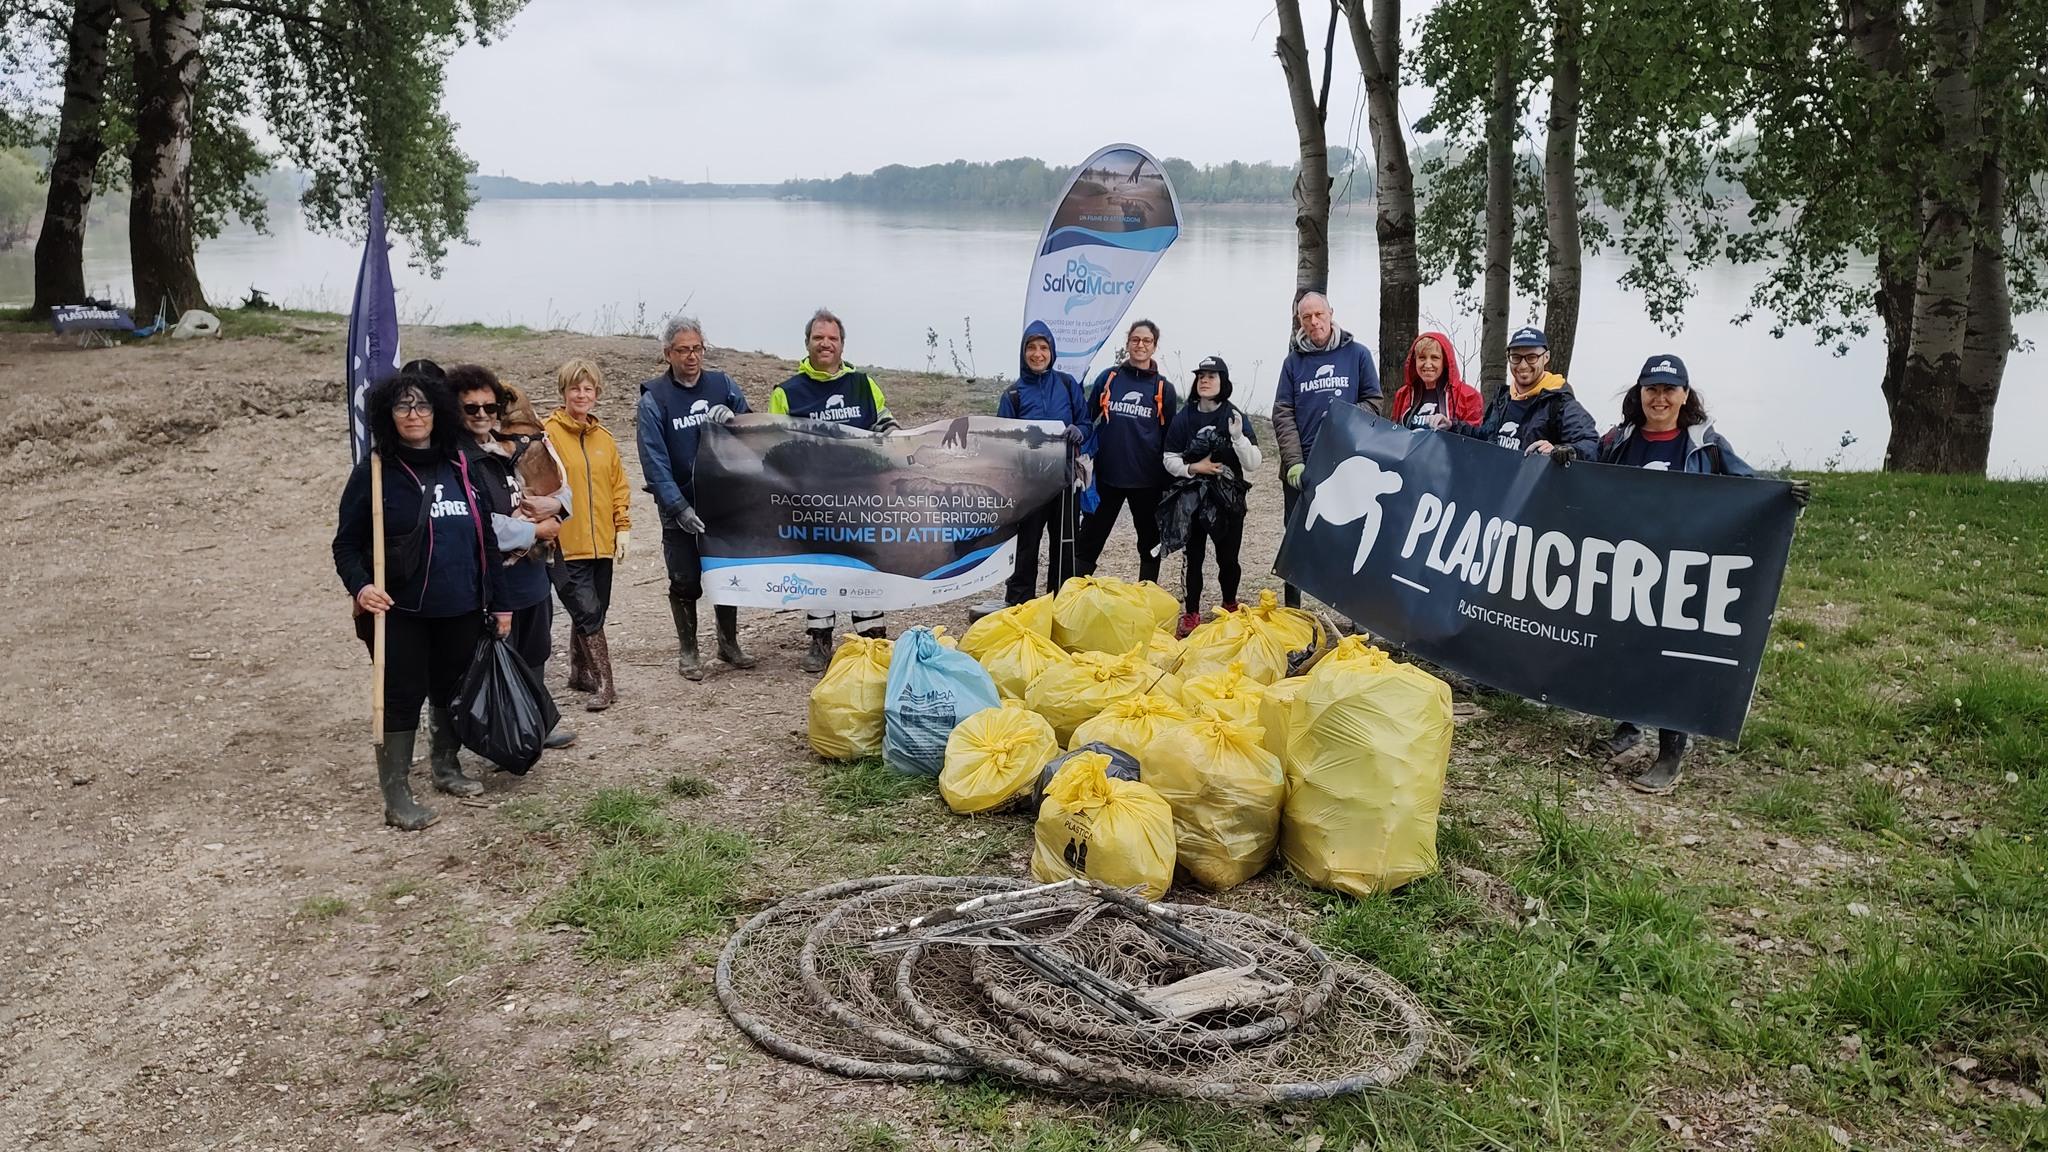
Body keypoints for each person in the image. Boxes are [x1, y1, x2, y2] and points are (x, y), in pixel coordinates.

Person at [1594, 353, 1810, 794]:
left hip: (1682, 566)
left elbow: (1744, 483)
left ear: (1685, 395)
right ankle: (1629, 722)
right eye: (1651, 388)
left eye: (1669, 390)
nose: (1659, 397)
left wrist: (1783, 493)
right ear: (1639, 394)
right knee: (1625, 641)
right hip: (1628, 562)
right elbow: (1588, 476)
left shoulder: (1705, 443)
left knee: (1673, 650)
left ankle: (1672, 749)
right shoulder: (1619, 441)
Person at [333, 369, 510, 831]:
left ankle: (446, 766)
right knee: (400, 698)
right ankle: (396, 794)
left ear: (438, 412)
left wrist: (499, 601)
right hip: (401, 612)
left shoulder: (459, 466)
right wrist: (361, 586)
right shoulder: (374, 472)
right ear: (388, 416)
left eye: (423, 406)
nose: (414, 415)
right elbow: (346, 545)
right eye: (403, 406)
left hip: (462, 606)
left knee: (451, 691)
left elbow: (486, 539)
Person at [449, 364, 577, 754]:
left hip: (533, 572)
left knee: (536, 649)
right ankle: (494, 731)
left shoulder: (522, 445)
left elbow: (563, 487)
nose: (483, 416)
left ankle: (535, 721)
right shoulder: (459, 460)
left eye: (491, 408)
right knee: (495, 654)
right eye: (472, 409)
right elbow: (477, 524)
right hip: (493, 576)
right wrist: (534, 531)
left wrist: (553, 503)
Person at [770, 308, 901, 671]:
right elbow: (775, 445)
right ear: (807, 343)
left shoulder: (862, 384)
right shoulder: (787, 393)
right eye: (818, 338)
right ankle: (820, 639)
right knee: (820, 565)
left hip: (861, 493)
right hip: (813, 497)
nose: (825, 344)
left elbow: (884, 422)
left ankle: (871, 632)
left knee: (863, 561)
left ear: (842, 344)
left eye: (832, 338)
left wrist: (900, 441)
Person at [637, 314, 757, 682]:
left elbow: (755, 429)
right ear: (667, 353)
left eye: (698, 348)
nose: (692, 357)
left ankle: (728, 643)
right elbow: (654, 463)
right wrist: (678, 508)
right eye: (683, 350)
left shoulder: (722, 385)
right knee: (685, 578)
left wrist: (734, 417)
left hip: (724, 501)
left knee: (725, 574)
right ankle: (689, 650)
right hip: (681, 506)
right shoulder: (654, 400)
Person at [1273, 292, 1381, 607]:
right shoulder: (1293, 363)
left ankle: (1354, 613)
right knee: (1297, 541)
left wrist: (1341, 416)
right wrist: (1294, 462)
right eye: (1306, 317)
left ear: (1331, 313)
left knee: (1348, 538)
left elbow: (1374, 403)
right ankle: (1294, 614)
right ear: (1300, 321)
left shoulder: (1357, 355)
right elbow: (1282, 413)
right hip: (1303, 471)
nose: (1314, 322)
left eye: (1319, 314)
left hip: (1346, 466)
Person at [544, 358, 632, 711]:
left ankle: (579, 672)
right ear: (563, 392)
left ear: (597, 393)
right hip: (565, 543)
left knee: (594, 610)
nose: (581, 395)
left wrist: (622, 527)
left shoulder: (604, 439)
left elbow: (618, 486)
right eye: (574, 388)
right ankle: (606, 684)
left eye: (588, 388)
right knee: (588, 612)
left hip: (601, 544)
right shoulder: (547, 434)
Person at [1160, 356, 1262, 636]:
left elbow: (1254, 462)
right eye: (1201, 376)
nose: (1204, 380)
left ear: (1223, 383)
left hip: (1228, 500)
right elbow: (1169, 458)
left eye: (1212, 376)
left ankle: (1229, 603)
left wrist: (1238, 438)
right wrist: (1194, 468)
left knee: (1228, 558)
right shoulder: (1185, 417)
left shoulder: (1234, 415)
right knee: (1193, 557)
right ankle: (1191, 612)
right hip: (1192, 497)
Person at [1075, 319, 1178, 584]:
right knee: (1090, 538)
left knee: (1149, 541)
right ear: (1128, 343)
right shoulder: (1109, 378)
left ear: (1154, 347)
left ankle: (1147, 595)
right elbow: (1087, 419)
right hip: (1107, 476)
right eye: (1135, 340)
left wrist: (1168, 480)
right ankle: (1072, 594)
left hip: (1147, 480)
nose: (1140, 345)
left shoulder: (1163, 388)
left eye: (1146, 341)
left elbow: (1170, 438)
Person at [997, 321, 1093, 604]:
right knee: (1026, 545)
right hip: (1028, 484)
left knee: (1064, 545)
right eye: (1031, 347)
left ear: (1052, 352)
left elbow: (1086, 423)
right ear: (1023, 352)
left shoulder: (1067, 385)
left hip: (1064, 479)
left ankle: (1061, 604)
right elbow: (1001, 441)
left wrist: (1081, 432)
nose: (1037, 354)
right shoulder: (1013, 395)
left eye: (1043, 348)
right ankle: (1019, 605)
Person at [1450, 326, 1599, 460]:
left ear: (1545, 357)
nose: (1523, 365)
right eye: (1516, 357)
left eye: (1531, 357)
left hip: (1534, 489)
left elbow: (1590, 444)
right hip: (1495, 484)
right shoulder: (1503, 399)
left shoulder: (1560, 403)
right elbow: (1484, 436)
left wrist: (1561, 451)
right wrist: (1450, 426)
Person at [1389, 331, 1484, 430]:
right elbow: (1394, 433)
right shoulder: (1403, 394)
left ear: (1445, 362)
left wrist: (1451, 426)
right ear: (1414, 361)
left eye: (1435, 358)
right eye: (1422, 358)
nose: (1428, 364)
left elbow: (1475, 439)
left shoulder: (1468, 397)